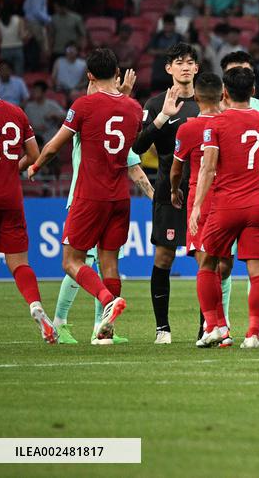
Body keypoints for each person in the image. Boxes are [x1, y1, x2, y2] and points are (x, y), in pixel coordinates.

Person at [27, 48, 142, 342]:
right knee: (110, 262)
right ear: (117, 73)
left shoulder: (83, 105)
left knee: (70, 261)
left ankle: (106, 301)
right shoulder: (133, 108)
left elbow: (55, 146)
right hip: (120, 197)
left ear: (89, 75)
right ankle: (105, 332)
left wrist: (36, 164)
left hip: (90, 195)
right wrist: (125, 96)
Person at [190, 66, 259, 349]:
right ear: (253, 91)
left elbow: (208, 168)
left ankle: (214, 326)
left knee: (207, 264)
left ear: (225, 93)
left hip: (225, 206)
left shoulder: (216, 124)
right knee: (258, 272)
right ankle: (252, 334)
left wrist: (197, 206)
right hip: (256, 206)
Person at [52, 74, 153, 346]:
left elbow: (134, 168)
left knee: (99, 263)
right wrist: (124, 95)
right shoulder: (89, 121)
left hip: (101, 200)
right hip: (84, 197)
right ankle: (60, 322)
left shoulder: (101, 120)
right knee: (84, 263)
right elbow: (94, 100)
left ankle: (101, 327)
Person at [0, 58, 56, 346]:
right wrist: (11, 166)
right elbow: (34, 155)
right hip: (11, 197)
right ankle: (35, 305)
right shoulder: (16, 113)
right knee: (19, 263)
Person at [132, 43, 200, 344]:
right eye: (179, 62)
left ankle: (207, 327)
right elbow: (137, 147)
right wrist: (161, 119)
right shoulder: (156, 104)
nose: (185, 67)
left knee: (207, 260)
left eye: (190, 62)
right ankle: (162, 329)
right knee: (164, 257)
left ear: (197, 68)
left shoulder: (208, 103)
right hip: (168, 192)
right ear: (168, 69)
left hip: (202, 192)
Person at [171, 75, 228, 320]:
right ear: (223, 95)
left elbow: (176, 170)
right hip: (230, 198)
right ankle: (222, 326)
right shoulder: (231, 122)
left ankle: (213, 326)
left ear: (195, 98)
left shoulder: (188, 127)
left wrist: (175, 190)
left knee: (205, 266)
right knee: (222, 265)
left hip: (201, 200)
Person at [0, 7, 27, 76]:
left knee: (4, 74)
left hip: (5, 49)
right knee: (19, 74)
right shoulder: (18, 19)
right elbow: (22, 35)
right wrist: (28, 33)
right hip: (17, 48)